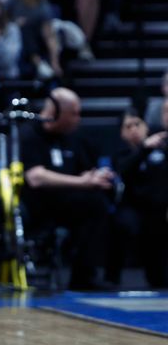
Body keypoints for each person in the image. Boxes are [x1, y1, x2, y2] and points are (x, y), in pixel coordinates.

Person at [20, 87, 114, 290]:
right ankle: (83, 275)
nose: (78, 119)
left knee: (97, 203)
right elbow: (36, 177)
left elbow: (83, 172)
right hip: (36, 205)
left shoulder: (72, 137)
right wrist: (82, 182)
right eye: (74, 113)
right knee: (90, 203)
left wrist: (95, 177)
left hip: (67, 203)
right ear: (55, 113)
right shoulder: (29, 134)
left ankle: (85, 276)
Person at [109, 109, 168, 287]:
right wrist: (143, 149)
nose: (134, 129)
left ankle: (159, 281)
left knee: (157, 231)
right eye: (128, 126)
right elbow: (123, 171)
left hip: (160, 209)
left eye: (137, 124)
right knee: (122, 225)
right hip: (132, 207)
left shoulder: (163, 150)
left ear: (146, 126)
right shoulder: (121, 155)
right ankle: (112, 279)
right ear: (122, 132)